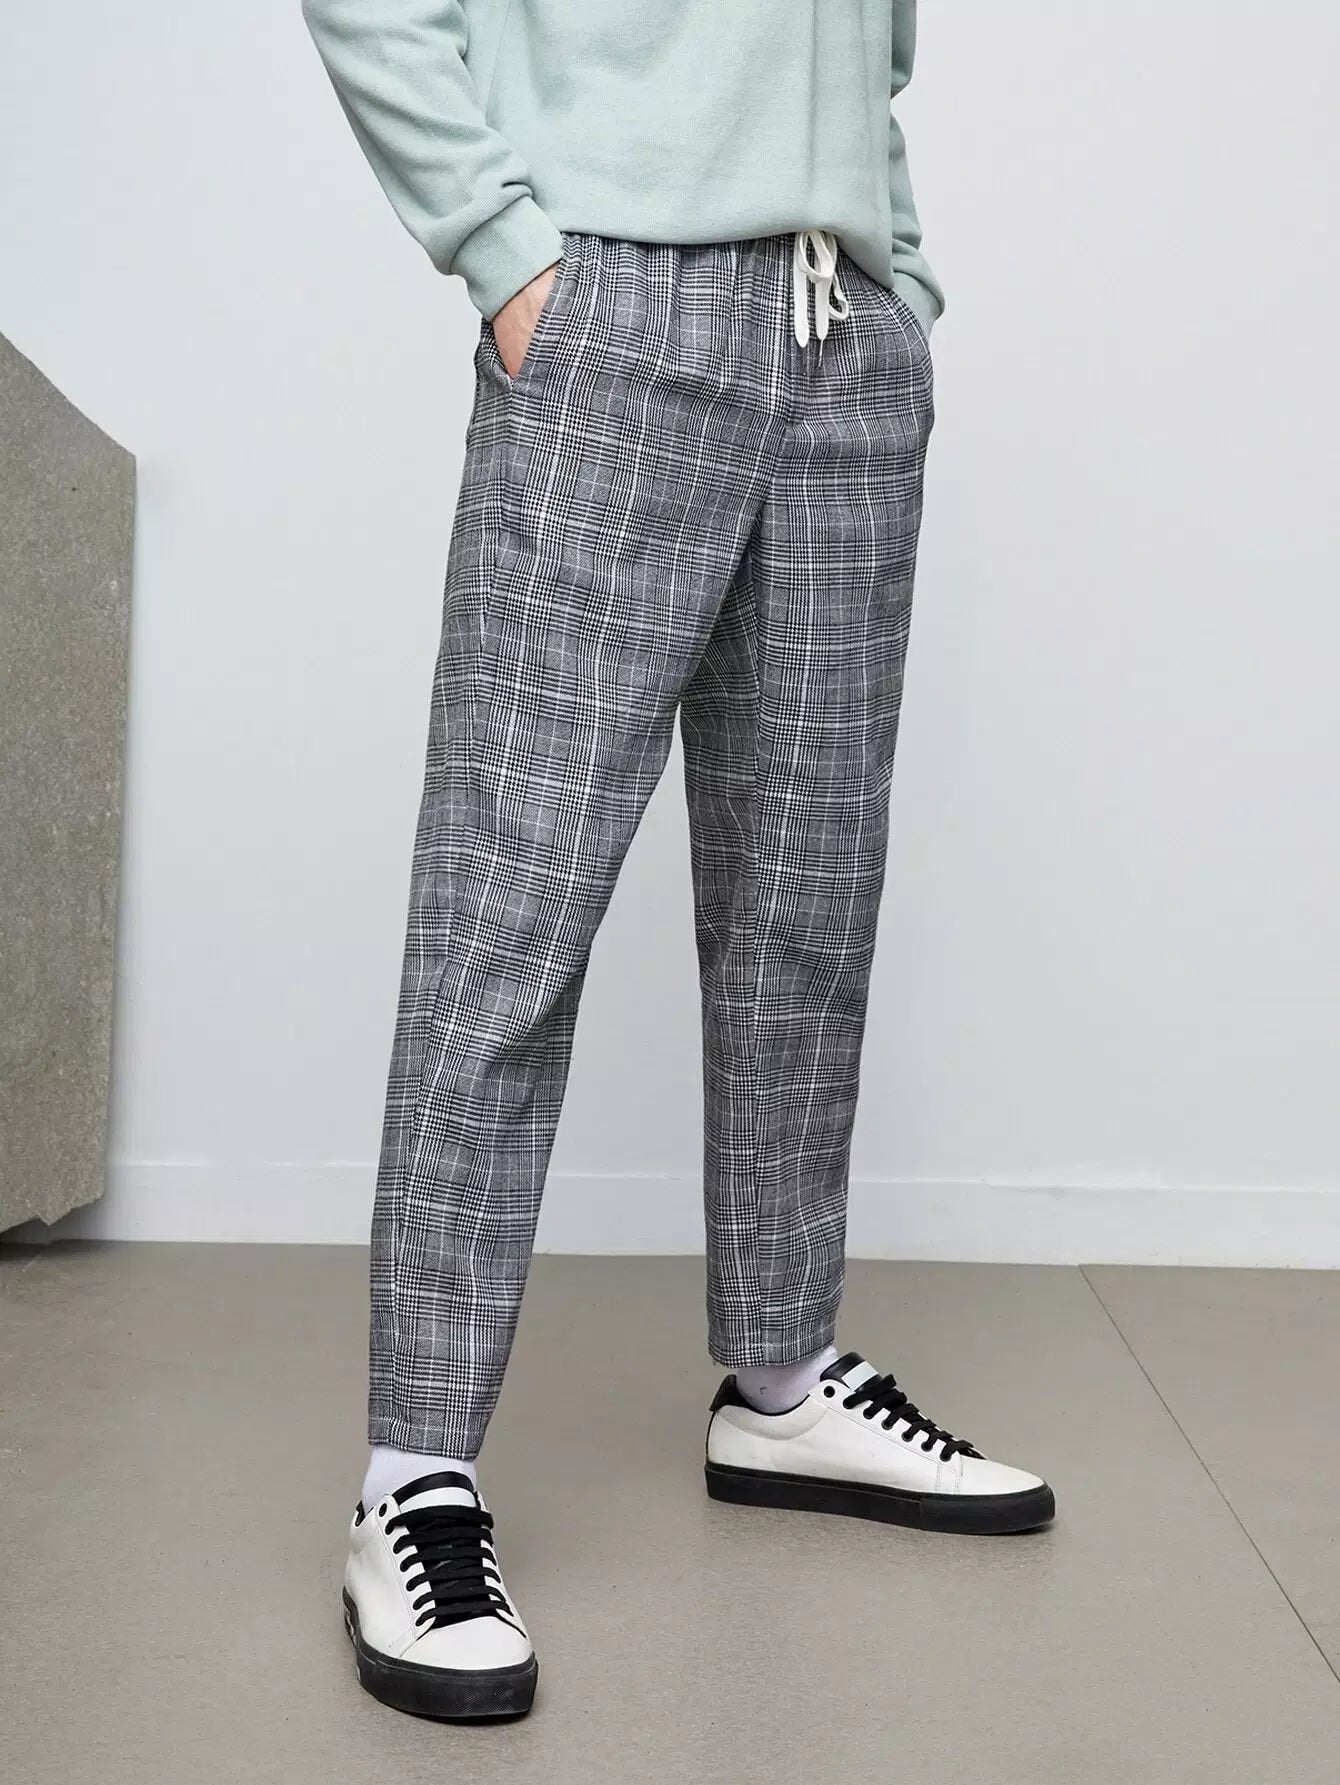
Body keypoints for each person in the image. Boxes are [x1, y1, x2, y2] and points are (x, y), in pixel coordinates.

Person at [303, 0, 1053, 1723]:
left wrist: (901, 285)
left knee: (806, 897)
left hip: (841, 329)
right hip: (615, 308)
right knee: (512, 896)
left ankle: (781, 1379)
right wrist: (503, 252)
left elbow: (871, 47)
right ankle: (412, 1473)